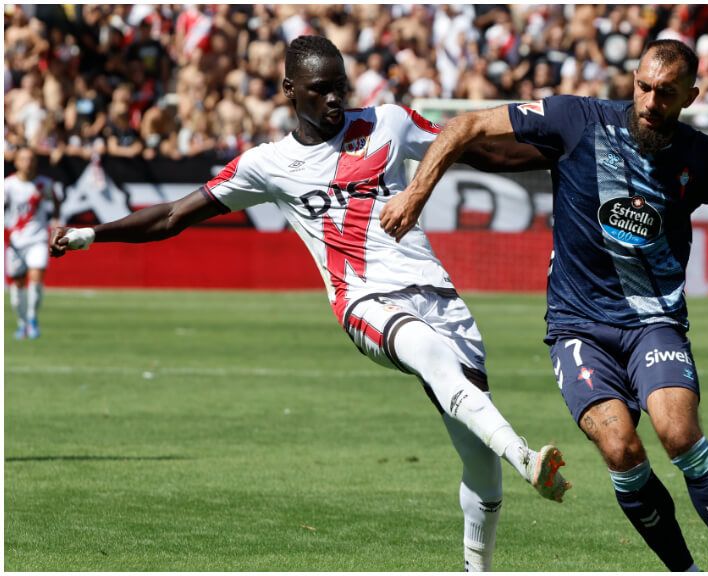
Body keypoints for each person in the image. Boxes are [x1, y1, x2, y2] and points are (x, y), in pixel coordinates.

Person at [49, 35, 569, 572]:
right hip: (363, 302)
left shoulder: (387, 122)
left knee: (480, 469)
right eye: (320, 91)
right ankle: (528, 457)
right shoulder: (267, 164)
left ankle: (477, 566)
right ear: (289, 90)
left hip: (438, 295)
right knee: (426, 353)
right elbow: (173, 215)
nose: (334, 101)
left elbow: (474, 148)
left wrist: (563, 155)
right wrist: (95, 234)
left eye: (340, 88)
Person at [382, 39, 708, 572]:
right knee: (620, 450)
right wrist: (415, 194)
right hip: (578, 328)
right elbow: (467, 126)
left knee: (679, 435)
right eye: (643, 86)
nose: (649, 102)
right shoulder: (577, 118)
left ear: (691, 94)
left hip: (654, 321)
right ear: (632, 79)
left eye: (666, 93)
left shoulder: (704, 157)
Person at [5, 147, 60, 339]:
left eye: (31, 159)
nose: (27, 163)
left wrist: (55, 221)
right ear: (16, 162)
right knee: (17, 285)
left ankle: (32, 319)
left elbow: (55, 201)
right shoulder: (8, 185)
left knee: (36, 277)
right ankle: (21, 324)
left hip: (37, 239)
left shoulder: (43, 184)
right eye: (23, 159)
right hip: (15, 242)